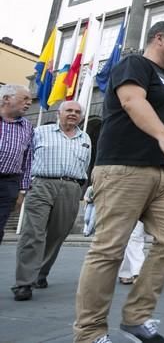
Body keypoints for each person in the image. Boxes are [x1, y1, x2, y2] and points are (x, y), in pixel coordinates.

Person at [73, 21, 164, 343]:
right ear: (159, 38)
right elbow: (131, 101)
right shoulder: (134, 64)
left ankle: (136, 317)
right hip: (124, 167)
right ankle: (89, 333)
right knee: (109, 249)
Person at [12, 100, 91, 301]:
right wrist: (24, 185)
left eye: (77, 111)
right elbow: (25, 158)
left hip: (71, 188)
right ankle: (23, 283)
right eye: (69, 110)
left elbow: (86, 165)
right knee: (33, 233)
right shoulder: (40, 132)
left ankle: (40, 273)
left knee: (57, 234)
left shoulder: (85, 138)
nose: (73, 114)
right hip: (41, 185)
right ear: (59, 113)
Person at [0, 84, 33, 245]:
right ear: (6, 99)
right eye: (25, 98)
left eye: (31, 100)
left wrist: (22, 190)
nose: (28, 103)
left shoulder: (27, 126)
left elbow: (27, 159)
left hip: (9, 183)